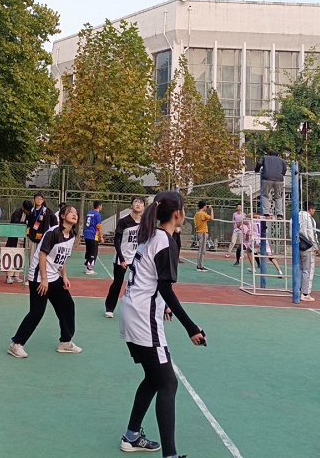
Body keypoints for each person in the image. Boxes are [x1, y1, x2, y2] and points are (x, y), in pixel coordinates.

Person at [119, 192, 206, 456]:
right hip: (143, 318)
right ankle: (170, 454)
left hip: (132, 311)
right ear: (177, 213)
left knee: (153, 378)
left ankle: (132, 436)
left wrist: (164, 304)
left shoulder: (152, 236)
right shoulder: (165, 242)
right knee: (168, 383)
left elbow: (152, 280)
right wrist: (191, 328)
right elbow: (165, 288)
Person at [8, 205, 81, 358]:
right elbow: (42, 255)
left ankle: (65, 342)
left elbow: (62, 257)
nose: (74, 214)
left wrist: (64, 276)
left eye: (76, 213)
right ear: (62, 216)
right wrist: (44, 280)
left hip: (54, 277)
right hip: (39, 278)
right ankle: (16, 344)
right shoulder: (53, 232)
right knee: (37, 312)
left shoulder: (72, 235)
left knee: (68, 306)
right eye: (71, 212)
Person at [104, 197, 145, 318]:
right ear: (131, 205)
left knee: (138, 283)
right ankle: (109, 308)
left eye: (141, 203)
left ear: (143, 207)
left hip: (136, 258)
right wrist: (122, 259)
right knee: (118, 283)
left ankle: (135, 309)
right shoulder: (124, 221)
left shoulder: (144, 222)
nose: (138, 204)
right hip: (122, 257)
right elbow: (117, 240)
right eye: (136, 202)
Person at [26, 191, 59, 280]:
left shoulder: (47, 211)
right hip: (32, 238)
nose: (38, 200)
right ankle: (31, 277)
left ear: (43, 200)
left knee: (43, 258)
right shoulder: (31, 211)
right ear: (34, 200)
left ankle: (42, 276)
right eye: (37, 198)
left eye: (40, 199)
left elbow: (54, 223)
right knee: (32, 258)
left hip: (43, 239)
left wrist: (52, 234)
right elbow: (28, 224)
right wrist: (28, 234)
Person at [299, 201, 320, 302]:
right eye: (314, 209)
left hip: (297, 246)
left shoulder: (295, 217)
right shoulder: (309, 218)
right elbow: (312, 234)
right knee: (308, 270)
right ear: (311, 209)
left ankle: (298, 289)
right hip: (308, 247)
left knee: (299, 269)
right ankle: (305, 293)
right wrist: (317, 248)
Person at [4, 200, 32, 284]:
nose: (27, 212)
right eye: (26, 210)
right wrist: (25, 223)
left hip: (22, 238)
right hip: (14, 238)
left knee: (19, 256)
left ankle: (16, 275)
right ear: (23, 208)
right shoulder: (17, 212)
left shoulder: (28, 214)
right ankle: (9, 276)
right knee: (11, 255)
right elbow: (15, 223)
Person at [254, 150, 287, 219]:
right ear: (277, 155)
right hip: (279, 179)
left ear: (269, 154)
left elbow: (259, 163)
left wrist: (256, 170)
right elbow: (285, 168)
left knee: (265, 195)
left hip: (267, 178)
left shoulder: (265, 158)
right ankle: (279, 214)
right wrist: (282, 174)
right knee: (278, 196)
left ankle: (266, 212)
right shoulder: (282, 160)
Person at [83, 200, 105, 274]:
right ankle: (89, 269)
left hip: (87, 234)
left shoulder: (89, 213)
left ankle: (86, 267)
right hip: (93, 235)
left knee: (88, 251)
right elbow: (99, 226)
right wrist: (101, 237)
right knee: (93, 252)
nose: (102, 207)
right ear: (99, 206)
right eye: (101, 205)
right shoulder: (97, 214)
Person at [193, 201, 213, 272]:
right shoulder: (203, 214)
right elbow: (212, 218)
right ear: (204, 206)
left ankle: (199, 265)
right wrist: (211, 209)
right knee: (202, 250)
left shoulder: (197, 214)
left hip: (199, 232)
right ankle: (200, 266)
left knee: (201, 249)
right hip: (203, 233)